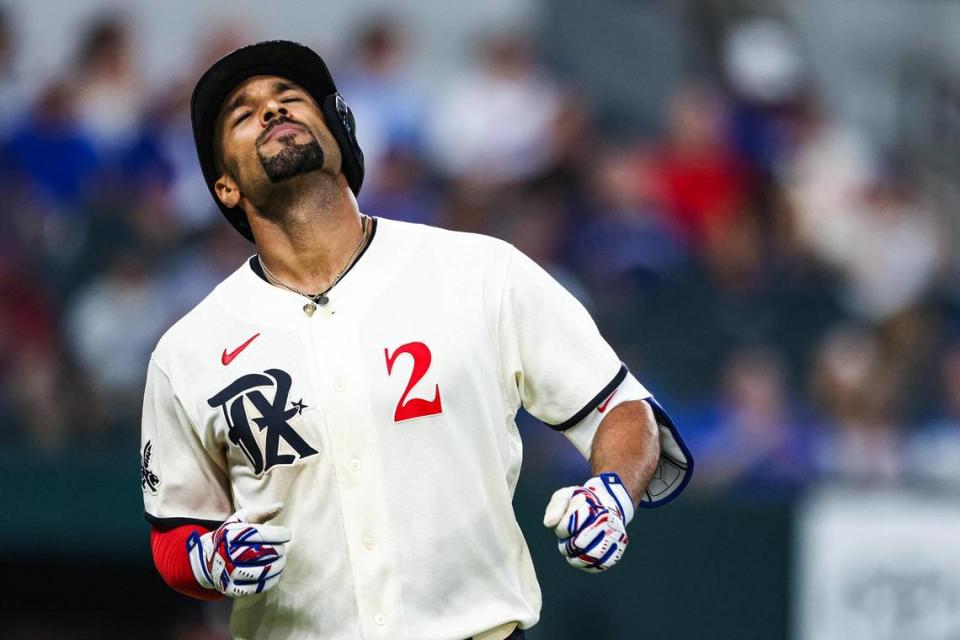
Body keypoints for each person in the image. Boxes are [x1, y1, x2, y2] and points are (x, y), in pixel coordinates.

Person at [141, 40, 692, 640]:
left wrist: (611, 495)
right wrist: (209, 560)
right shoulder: (188, 350)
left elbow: (622, 408)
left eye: (291, 99)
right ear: (225, 186)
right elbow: (175, 531)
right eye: (243, 114)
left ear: (341, 135)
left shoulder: (479, 271)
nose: (272, 111)